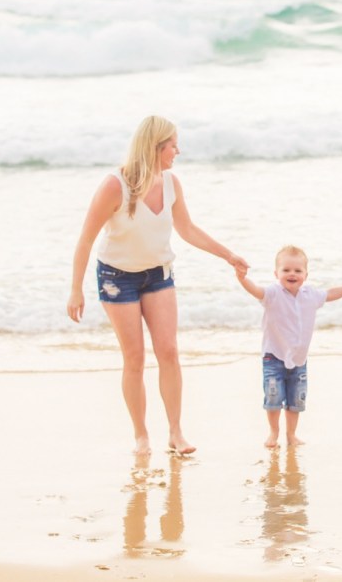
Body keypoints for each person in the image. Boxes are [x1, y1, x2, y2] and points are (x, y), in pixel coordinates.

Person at [67, 115, 247, 457]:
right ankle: (141, 435)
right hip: (118, 278)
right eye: (172, 145)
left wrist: (228, 255)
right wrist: (76, 289)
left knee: (169, 351)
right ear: (155, 147)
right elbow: (85, 240)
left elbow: (188, 230)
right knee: (134, 357)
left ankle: (176, 432)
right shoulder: (114, 186)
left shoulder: (171, 183)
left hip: (159, 273)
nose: (178, 151)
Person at [235, 246, 342, 447]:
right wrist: (242, 279)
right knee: (273, 397)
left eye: (298, 271)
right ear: (276, 273)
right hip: (273, 356)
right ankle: (274, 433)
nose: (292, 274)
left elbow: (331, 293)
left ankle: (291, 435)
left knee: (296, 400)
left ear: (306, 275)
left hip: (299, 360)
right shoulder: (272, 294)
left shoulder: (311, 295)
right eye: (286, 270)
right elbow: (255, 290)